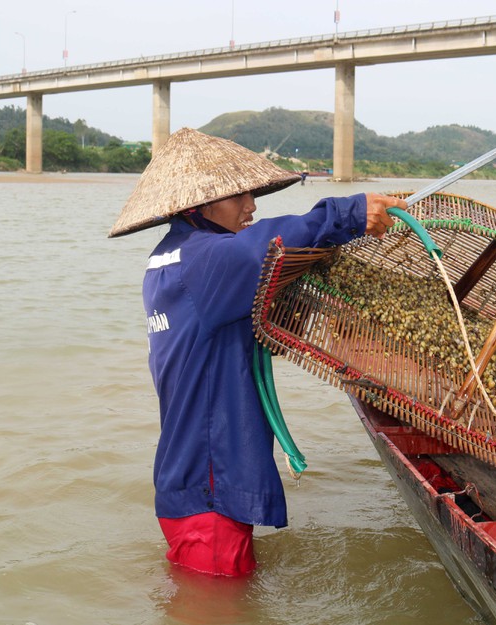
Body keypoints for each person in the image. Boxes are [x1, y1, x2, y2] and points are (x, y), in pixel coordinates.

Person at [109, 127, 406, 577]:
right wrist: (350, 212)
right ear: (198, 205)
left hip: (191, 486)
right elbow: (268, 243)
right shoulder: (204, 261)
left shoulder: (169, 261)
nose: (251, 206)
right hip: (209, 497)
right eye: (239, 196)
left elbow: (231, 329)